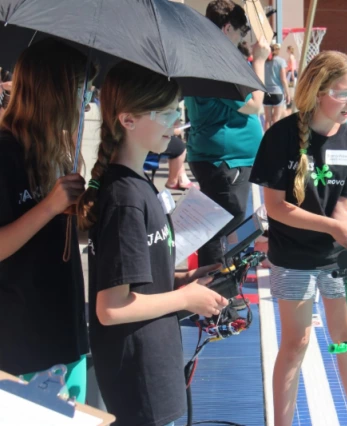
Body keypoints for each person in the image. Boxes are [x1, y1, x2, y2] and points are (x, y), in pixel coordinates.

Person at [76, 61, 228, 426]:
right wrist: (185, 299)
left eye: (177, 110)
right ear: (128, 120)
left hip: (153, 358)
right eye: (164, 113)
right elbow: (110, 308)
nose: (176, 122)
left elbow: (137, 279)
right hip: (137, 372)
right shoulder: (124, 198)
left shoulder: (138, 183)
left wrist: (185, 280)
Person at [249, 51, 347, 426]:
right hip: (292, 257)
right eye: (342, 93)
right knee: (296, 344)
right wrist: (333, 228)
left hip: (338, 261)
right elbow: (277, 208)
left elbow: (343, 212)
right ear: (317, 90)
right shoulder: (280, 137)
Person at [0, 39, 97, 402]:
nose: (85, 102)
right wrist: (50, 206)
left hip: (65, 330)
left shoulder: (53, 150)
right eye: (78, 90)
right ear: (51, 93)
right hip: (24, 341)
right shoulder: (6, 153)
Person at [184, 0, 269, 270]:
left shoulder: (205, 57)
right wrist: (260, 60)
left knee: (221, 226)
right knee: (219, 229)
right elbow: (255, 102)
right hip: (224, 161)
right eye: (241, 32)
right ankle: (216, 297)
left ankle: (218, 291)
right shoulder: (217, 63)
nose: (242, 38)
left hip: (220, 158)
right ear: (227, 27)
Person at [264, 43, 290, 131]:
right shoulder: (281, 61)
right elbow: (283, 79)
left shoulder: (265, 61)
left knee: (267, 120)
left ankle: (266, 139)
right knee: (276, 120)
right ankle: (275, 140)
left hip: (266, 92)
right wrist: (287, 93)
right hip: (277, 92)